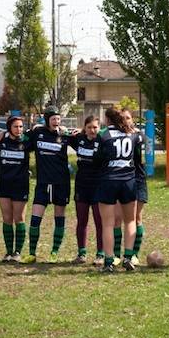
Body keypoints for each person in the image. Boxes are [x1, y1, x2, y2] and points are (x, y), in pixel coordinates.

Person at [19, 107, 72, 264]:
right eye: (53, 119)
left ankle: (54, 252)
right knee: (35, 219)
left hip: (61, 183)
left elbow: (86, 139)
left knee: (59, 217)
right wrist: (4, 134)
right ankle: (32, 253)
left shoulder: (65, 135)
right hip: (43, 183)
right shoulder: (37, 133)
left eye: (58, 119)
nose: (56, 122)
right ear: (47, 120)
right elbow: (20, 139)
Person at [96, 107, 144, 272]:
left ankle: (109, 261)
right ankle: (128, 257)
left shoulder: (104, 134)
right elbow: (140, 146)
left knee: (108, 224)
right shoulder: (132, 134)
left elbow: (97, 158)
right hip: (128, 181)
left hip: (108, 180)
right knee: (130, 221)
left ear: (108, 119)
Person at [0, 116, 31, 262]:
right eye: (15, 126)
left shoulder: (27, 141)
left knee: (19, 218)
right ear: (9, 127)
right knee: (7, 218)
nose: (19, 129)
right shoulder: (0, 141)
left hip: (20, 185)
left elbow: (40, 131)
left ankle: (17, 252)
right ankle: (8, 252)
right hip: (4, 184)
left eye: (21, 126)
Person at [69, 115, 103, 264]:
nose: (92, 130)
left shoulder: (103, 141)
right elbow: (60, 133)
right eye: (89, 127)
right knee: (81, 220)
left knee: (99, 221)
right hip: (81, 185)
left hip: (98, 185)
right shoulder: (79, 139)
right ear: (84, 128)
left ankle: (100, 254)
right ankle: (81, 253)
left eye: (95, 127)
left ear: (100, 128)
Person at [122, 108, 148, 265]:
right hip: (121, 179)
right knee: (119, 218)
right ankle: (117, 254)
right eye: (122, 118)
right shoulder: (115, 136)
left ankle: (134, 254)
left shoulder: (138, 136)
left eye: (128, 118)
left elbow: (143, 142)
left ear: (133, 119)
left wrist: (136, 134)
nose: (125, 121)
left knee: (136, 217)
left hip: (137, 179)